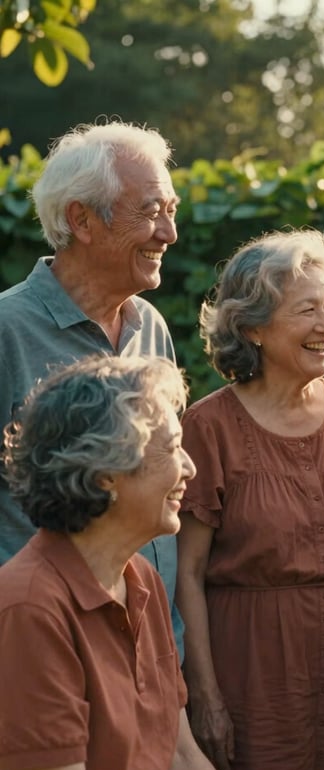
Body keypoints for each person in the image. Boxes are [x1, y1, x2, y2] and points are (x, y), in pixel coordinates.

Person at [0, 354, 283, 770]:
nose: (190, 467)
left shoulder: (141, 579)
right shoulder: (30, 607)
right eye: (174, 448)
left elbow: (180, 752)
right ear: (107, 474)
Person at [176, 228, 324, 770]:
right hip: (251, 660)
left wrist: (322, 575)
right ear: (255, 328)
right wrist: (207, 696)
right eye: (308, 309)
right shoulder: (207, 428)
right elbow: (186, 573)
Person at [0, 119, 186, 657]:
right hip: (44, 651)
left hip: (152, 647)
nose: (169, 234)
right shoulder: (7, 332)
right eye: (151, 212)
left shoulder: (150, 326)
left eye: (171, 211)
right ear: (81, 219)